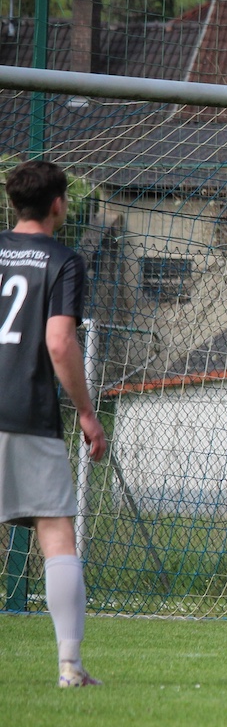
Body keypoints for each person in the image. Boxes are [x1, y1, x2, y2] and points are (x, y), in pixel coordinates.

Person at [0, 160, 108, 688]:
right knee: (57, 533)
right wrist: (87, 413)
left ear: (12, 202)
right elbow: (60, 342)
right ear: (59, 204)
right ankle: (70, 665)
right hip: (24, 410)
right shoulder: (64, 260)